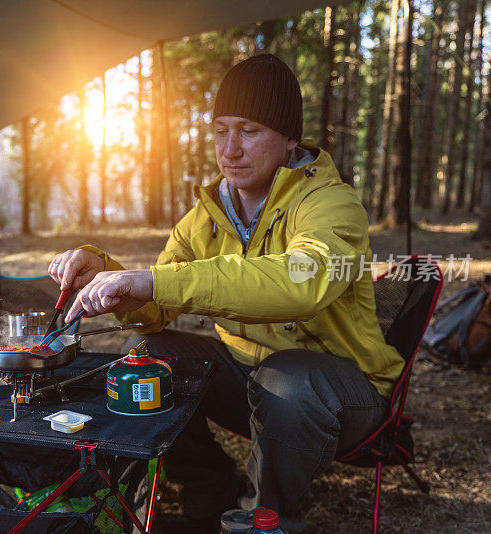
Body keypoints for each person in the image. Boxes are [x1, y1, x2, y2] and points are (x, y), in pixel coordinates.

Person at [47, 54, 402, 533]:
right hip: (251, 379)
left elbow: (303, 282)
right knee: (153, 355)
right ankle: (208, 485)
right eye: (220, 130)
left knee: (290, 377)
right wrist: (109, 276)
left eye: (250, 131)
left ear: (289, 139)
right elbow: (157, 308)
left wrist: (155, 280)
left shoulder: (329, 202)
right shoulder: (207, 216)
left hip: (341, 393)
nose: (229, 150)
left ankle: (264, 520)